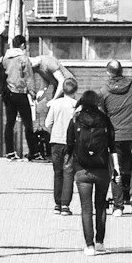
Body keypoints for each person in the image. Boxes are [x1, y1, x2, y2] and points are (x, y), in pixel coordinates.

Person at [68, 88, 117, 250]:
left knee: (86, 208)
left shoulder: (75, 120)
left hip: (82, 169)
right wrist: (115, 168)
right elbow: (112, 145)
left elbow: (69, 144)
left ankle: (89, 246)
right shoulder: (104, 119)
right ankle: (100, 242)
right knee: (101, 206)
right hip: (102, 168)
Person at [103, 59, 132, 215]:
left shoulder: (104, 91)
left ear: (108, 72)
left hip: (115, 136)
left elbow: (103, 116)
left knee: (116, 169)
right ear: (122, 71)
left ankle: (118, 206)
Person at [44, 69, 82, 214]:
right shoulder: (77, 105)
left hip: (56, 142)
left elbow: (48, 123)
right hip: (71, 143)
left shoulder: (56, 104)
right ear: (75, 90)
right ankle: (66, 205)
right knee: (69, 173)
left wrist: (54, 132)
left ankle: (57, 204)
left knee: (57, 173)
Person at [0, 36, 36, 161]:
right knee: (28, 123)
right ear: (22, 45)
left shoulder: (5, 58)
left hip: (8, 93)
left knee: (9, 123)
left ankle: (9, 152)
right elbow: (29, 77)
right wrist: (32, 92)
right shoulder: (23, 59)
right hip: (20, 93)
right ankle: (33, 152)